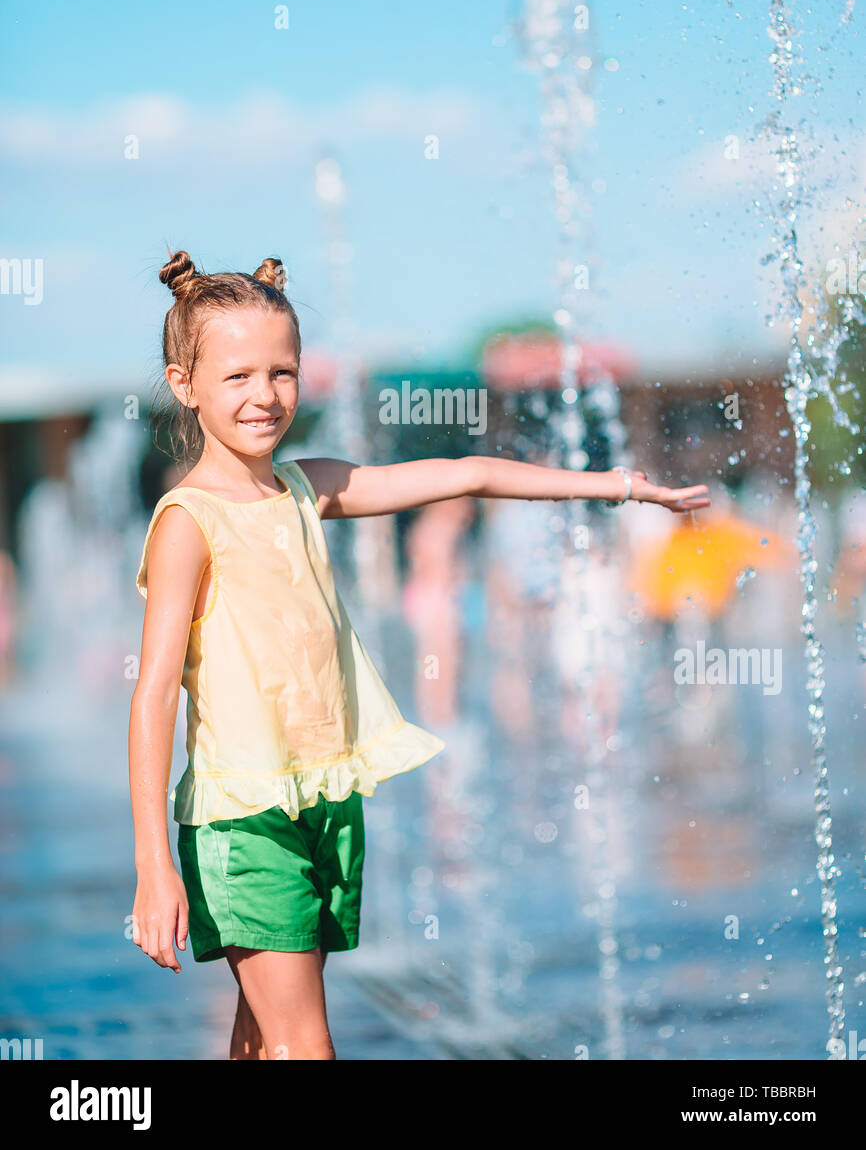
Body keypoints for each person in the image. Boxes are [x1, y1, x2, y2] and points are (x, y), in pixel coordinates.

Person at [129, 247, 711, 1061]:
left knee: (264, 1035)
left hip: (324, 798)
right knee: (306, 1043)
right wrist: (154, 865)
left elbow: (465, 474)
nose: (265, 395)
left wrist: (619, 487)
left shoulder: (305, 488)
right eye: (237, 377)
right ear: (185, 384)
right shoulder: (189, 519)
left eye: (283, 372)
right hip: (241, 820)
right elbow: (154, 692)